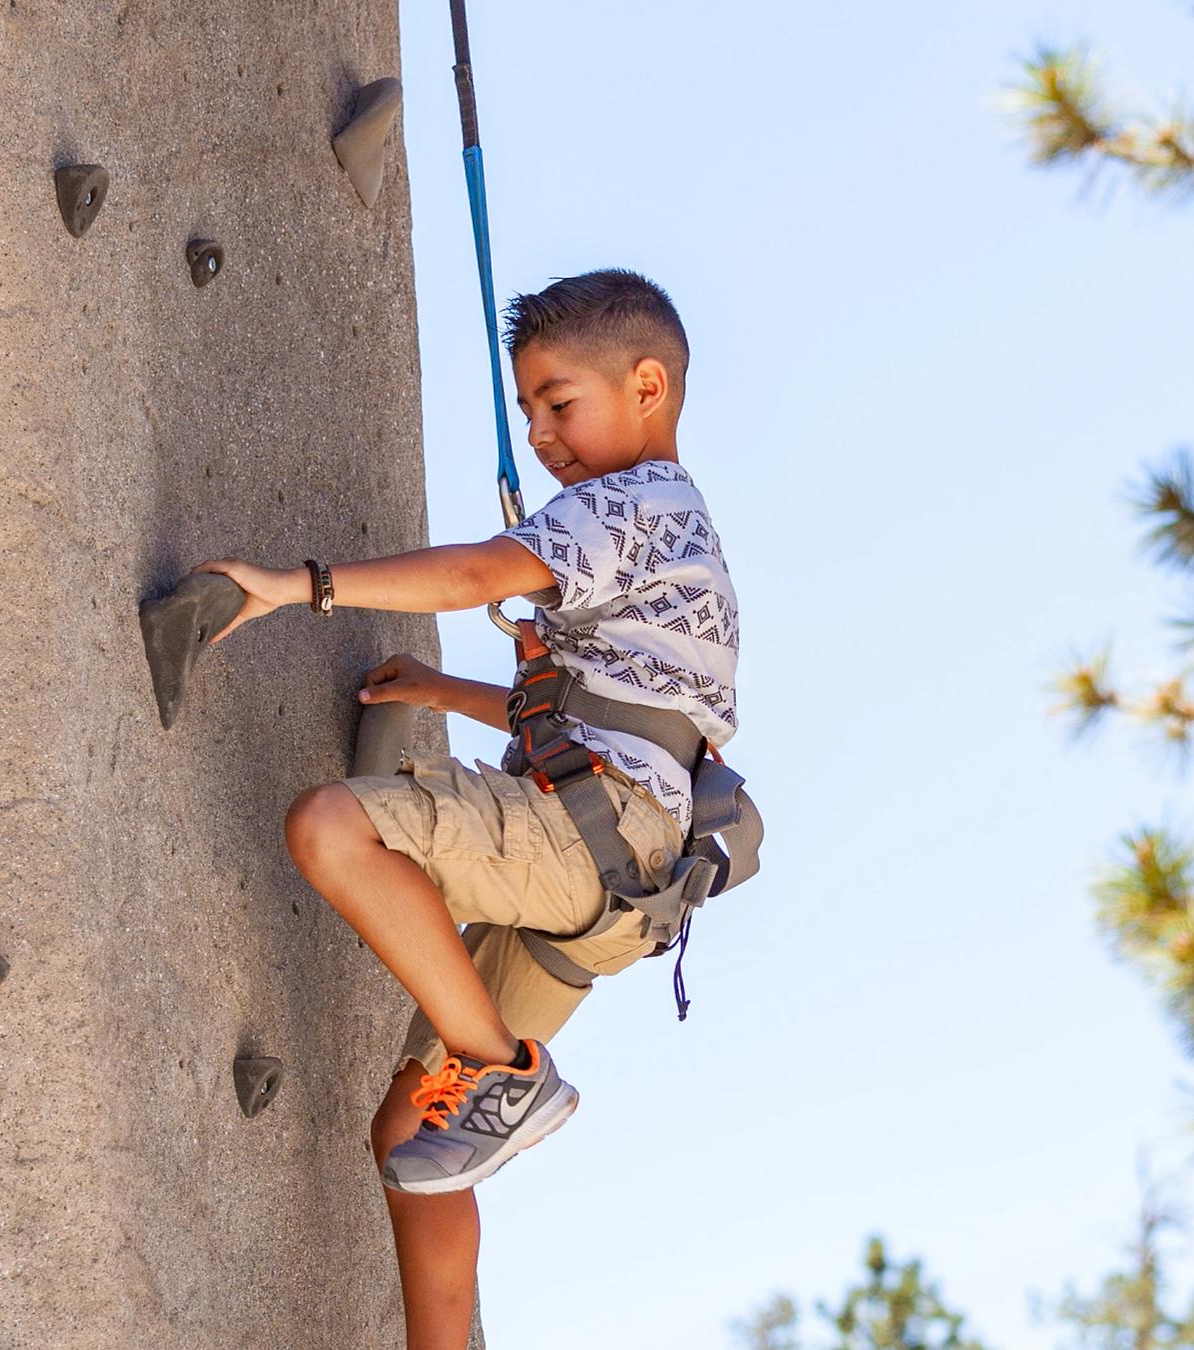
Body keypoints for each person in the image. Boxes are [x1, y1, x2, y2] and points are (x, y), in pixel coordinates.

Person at [192, 269, 738, 1349]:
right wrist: (445, 694)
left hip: (596, 838)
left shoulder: (630, 504)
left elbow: (477, 573)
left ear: (646, 385)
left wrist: (300, 587)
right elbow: (621, 718)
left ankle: (502, 1072)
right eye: (527, 408)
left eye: (559, 402)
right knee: (416, 1140)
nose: (539, 433)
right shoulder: (677, 537)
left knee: (331, 827)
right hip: (624, 880)